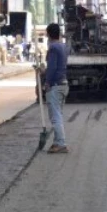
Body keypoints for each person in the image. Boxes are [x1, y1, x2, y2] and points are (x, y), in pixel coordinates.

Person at [42, 23, 69, 154]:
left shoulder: (53, 48)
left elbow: (52, 68)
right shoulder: (64, 47)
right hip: (64, 85)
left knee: (55, 116)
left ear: (48, 34)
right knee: (58, 114)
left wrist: (47, 82)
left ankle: (60, 143)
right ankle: (57, 141)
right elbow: (58, 66)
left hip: (56, 86)